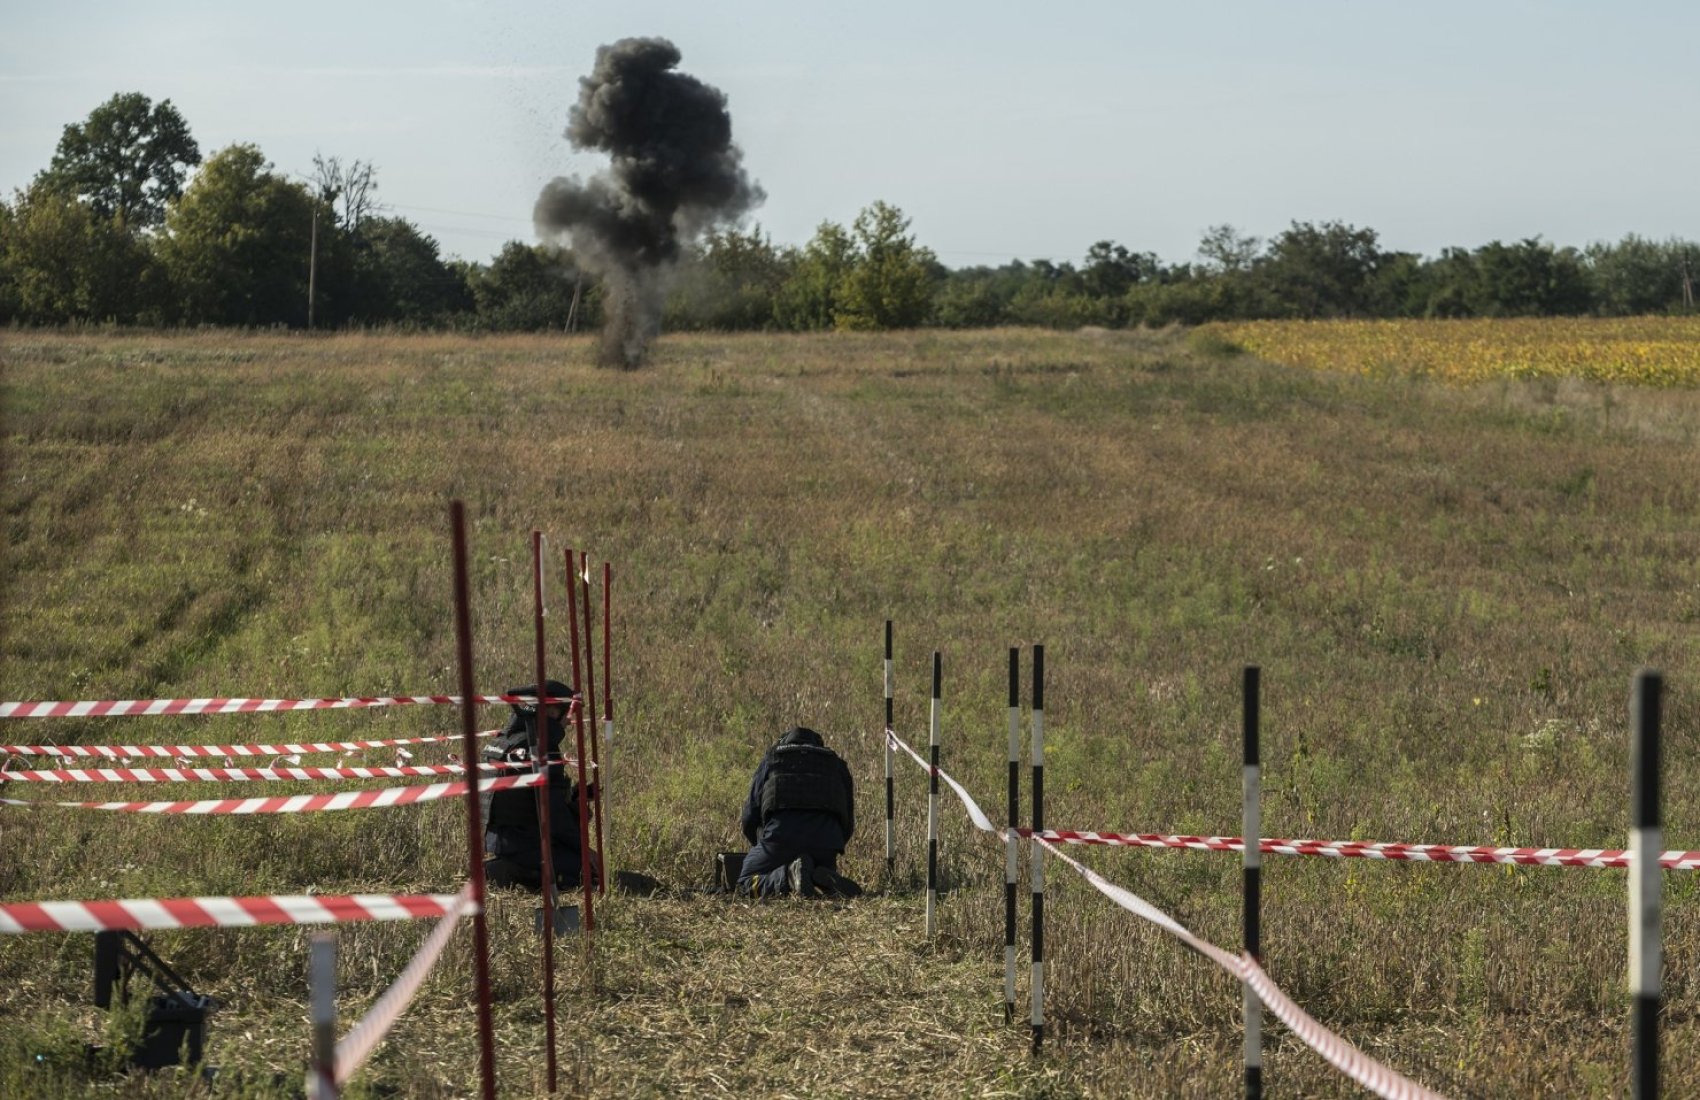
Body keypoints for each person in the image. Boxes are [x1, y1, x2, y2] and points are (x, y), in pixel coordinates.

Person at [482, 679, 599, 893]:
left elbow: (528, 800)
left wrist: (573, 797)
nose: (569, 721)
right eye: (567, 713)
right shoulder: (541, 748)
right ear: (553, 712)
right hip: (526, 846)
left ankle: (509, 868)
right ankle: (512, 872)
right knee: (588, 874)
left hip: (498, 842)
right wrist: (585, 852)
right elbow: (554, 816)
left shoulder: (501, 742)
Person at [737, 727, 861, 899]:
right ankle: (817, 876)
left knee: (745, 882)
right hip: (826, 844)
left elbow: (750, 817)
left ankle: (789, 876)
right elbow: (847, 823)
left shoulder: (772, 759)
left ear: (784, 742)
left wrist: (762, 843)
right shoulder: (836, 764)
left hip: (779, 838)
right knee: (814, 873)